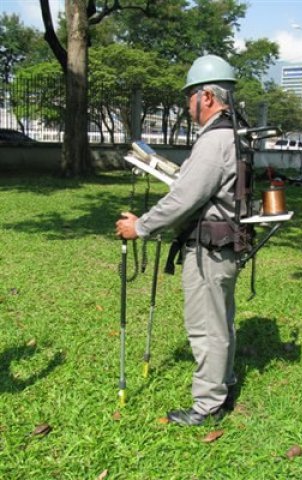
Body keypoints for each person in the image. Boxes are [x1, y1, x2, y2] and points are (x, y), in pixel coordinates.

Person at [115, 55, 246, 426]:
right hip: (223, 246)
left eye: (189, 96)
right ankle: (224, 381)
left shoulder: (215, 140)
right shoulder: (232, 133)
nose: (187, 105)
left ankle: (208, 406)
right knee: (220, 321)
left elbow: (184, 198)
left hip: (209, 250)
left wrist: (141, 227)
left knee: (206, 327)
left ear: (206, 96)